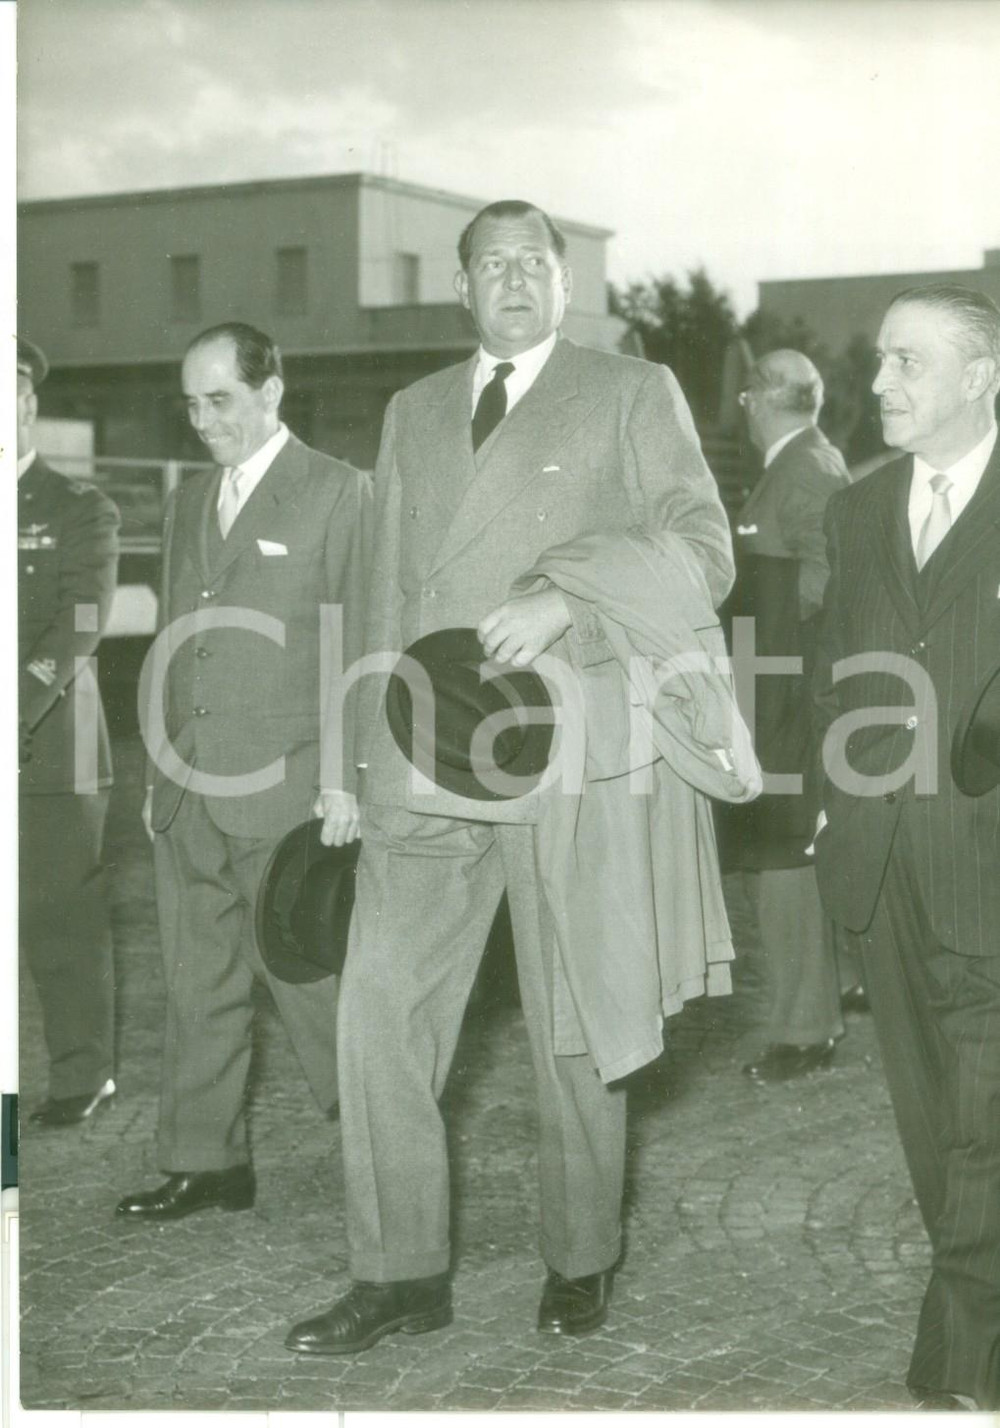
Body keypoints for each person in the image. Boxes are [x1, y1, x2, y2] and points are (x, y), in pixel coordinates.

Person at [285, 199, 742, 1354]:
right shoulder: (412, 409)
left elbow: (703, 547)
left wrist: (568, 596)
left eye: (533, 263)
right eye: (491, 266)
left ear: (564, 279)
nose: (514, 281)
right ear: (462, 286)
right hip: (422, 754)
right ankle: (397, 1273)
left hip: (563, 749)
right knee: (376, 1011)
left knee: (571, 1021)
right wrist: (355, 761)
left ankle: (579, 1254)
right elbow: (386, 586)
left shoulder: (629, 392)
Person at [117, 322, 368, 1221]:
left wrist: (345, 777)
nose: (202, 420)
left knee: (312, 983)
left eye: (219, 399)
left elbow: (361, 645)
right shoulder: (189, 501)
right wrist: (157, 767)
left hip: (289, 787)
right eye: (190, 403)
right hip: (189, 786)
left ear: (272, 390)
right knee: (196, 980)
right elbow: (172, 643)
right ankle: (205, 1160)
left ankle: (386, 1147)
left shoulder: (339, 493)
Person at [813, 284, 1000, 1411]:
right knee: (933, 1126)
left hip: (988, 869)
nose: (877, 385)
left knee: (984, 1123)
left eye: (905, 363)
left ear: (979, 375)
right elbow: (843, 673)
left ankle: (964, 1361)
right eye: (878, 363)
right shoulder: (857, 509)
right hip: (882, 873)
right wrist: (838, 808)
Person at [724, 350, 853, 1082]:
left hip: (789, 690)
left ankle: (806, 1028)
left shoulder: (804, 468)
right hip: (779, 684)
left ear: (768, 398)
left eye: (747, 392)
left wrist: (761, 620)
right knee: (793, 849)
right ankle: (833, 991)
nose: (741, 404)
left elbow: (828, 571)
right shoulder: (802, 462)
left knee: (783, 856)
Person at [18, 335, 121, 1129]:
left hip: (49, 751)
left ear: (27, 405)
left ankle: (84, 1075)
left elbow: (79, 624)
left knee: (60, 923)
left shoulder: (78, 510)